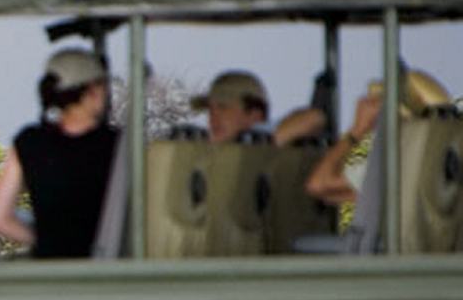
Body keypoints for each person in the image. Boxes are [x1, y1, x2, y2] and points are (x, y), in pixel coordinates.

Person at [0, 47, 118, 258]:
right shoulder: (116, 144)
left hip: (49, 268)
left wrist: (46, 244)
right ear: (93, 91)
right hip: (107, 268)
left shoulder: (29, 141)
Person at [304, 69, 454, 206]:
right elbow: (334, 194)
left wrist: (357, 131)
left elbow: (318, 184)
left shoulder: (399, 160)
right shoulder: (438, 157)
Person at [193, 70, 326, 145]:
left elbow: (314, 117)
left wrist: (262, 145)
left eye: (223, 107)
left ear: (255, 115)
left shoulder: (265, 137)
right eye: (210, 109)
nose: (213, 117)